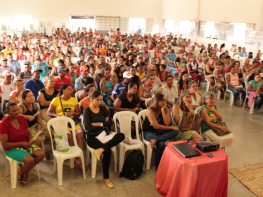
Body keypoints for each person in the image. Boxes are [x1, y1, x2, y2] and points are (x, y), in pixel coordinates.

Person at [83, 90, 125, 188]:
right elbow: (89, 127)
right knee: (108, 151)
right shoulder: (87, 111)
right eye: (97, 100)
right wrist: (102, 124)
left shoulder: (103, 109)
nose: (100, 102)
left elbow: (110, 122)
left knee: (121, 135)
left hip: (105, 134)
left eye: (101, 100)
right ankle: (106, 177)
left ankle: (101, 149)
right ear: (91, 99)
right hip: (92, 137)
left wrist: (98, 124)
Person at [0, 102, 45, 187]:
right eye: (13, 111)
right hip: (12, 148)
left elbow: (28, 133)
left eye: (17, 110)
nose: (17, 112)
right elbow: (5, 144)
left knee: (42, 154)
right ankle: (25, 175)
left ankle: (22, 170)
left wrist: (31, 139)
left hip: (25, 143)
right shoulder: (3, 124)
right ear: (7, 112)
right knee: (30, 160)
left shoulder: (22, 118)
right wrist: (22, 143)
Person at [47, 84, 85, 169]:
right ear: (63, 90)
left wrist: (73, 113)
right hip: (61, 123)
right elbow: (49, 113)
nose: (71, 91)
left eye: (71, 89)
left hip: (72, 122)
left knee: (80, 136)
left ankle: (79, 159)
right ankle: (78, 158)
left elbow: (78, 113)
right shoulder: (56, 100)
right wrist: (57, 116)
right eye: (69, 89)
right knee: (69, 137)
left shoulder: (74, 99)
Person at [142, 93, 179, 168]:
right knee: (161, 143)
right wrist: (171, 128)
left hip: (160, 132)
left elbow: (167, 123)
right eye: (162, 100)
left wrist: (163, 111)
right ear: (157, 101)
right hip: (149, 132)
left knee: (176, 131)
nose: (165, 102)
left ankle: (156, 140)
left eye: (165, 100)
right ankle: (158, 165)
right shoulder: (150, 110)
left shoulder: (166, 109)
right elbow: (156, 126)